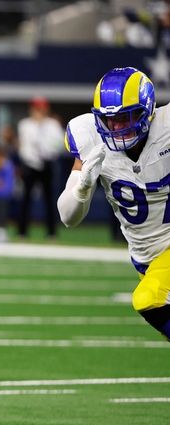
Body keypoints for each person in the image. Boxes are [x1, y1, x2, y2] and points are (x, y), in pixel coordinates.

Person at [58, 66, 170, 343]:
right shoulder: (89, 138)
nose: (117, 127)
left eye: (125, 117)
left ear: (147, 111)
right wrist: (83, 186)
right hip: (147, 257)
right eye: (109, 120)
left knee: (148, 298)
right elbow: (68, 217)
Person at [17, 95, 64, 240]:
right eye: (36, 108)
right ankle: (22, 232)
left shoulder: (53, 125)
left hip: (47, 164)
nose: (38, 111)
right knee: (25, 200)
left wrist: (46, 150)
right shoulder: (24, 124)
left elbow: (59, 145)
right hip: (30, 165)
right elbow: (24, 146)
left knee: (50, 200)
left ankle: (51, 233)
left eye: (41, 108)